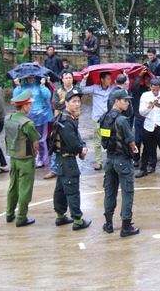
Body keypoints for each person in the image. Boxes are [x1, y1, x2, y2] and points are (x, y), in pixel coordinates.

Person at [101, 89, 140, 237]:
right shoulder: (122, 120)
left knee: (109, 191)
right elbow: (130, 140)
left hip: (110, 159)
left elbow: (105, 139)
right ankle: (125, 226)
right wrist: (133, 148)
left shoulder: (105, 118)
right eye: (125, 101)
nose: (127, 103)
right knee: (127, 192)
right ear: (116, 101)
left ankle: (108, 223)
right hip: (122, 160)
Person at [51, 89, 92, 230]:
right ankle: (77, 220)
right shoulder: (66, 121)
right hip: (67, 159)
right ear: (66, 103)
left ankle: (60, 215)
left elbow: (77, 136)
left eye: (78, 101)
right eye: (73, 101)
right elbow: (72, 142)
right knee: (72, 188)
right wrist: (81, 150)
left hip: (63, 159)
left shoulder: (67, 118)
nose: (77, 104)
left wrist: (83, 146)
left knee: (61, 187)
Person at [5, 89, 41, 227]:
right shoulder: (27, 123)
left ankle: (9, 214)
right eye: (29, 105)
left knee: (13, 187)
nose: (30, 107)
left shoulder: (8, 119)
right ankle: (21, 217)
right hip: (25, 159)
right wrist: (35, 153)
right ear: (24, 106)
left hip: (13, 157)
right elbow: (35, 142)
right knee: (25, 188)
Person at [136, 78, 160, 179]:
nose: (156, 92)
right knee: (146, 149)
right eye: (154, 90)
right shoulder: (145, 95)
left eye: (157, 90)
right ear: (150, 87)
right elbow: (141, 112)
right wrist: (148, 107)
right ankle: (143, 169)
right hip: (148, 126)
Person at [13, 75, 52, 169]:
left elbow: (47, 96)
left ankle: (42, 159)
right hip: (27, 117)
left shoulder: (40, 86)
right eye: (28, 77)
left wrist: (43, 85)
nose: (30, 78)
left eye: (32, 77)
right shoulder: (23, 87)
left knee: (41, 139)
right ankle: (30, 158)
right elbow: (16, 98)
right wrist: (17, 86)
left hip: (41, 116)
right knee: (27, 139)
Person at [45, 69, 78, 179]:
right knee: (57, 143)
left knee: (73, 141)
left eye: (70, 77)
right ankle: (54, 169)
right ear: (62, 79)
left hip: (74, 119)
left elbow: (78, 104)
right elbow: (56, 105)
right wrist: (67, 104)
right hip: (60, 120)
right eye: (66, 78)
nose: (68, 80)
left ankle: (71, 165)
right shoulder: (58, 90)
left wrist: (66, 103)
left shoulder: (76, 90)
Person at [80, 71, 113, 171]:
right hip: (97, 119)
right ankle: (99, 162)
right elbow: (82, 90)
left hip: (108, 120)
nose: (110, 81)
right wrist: (84, 79)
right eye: (108, 79)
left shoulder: (112, 88)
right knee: (97, 142)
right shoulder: (95, 87)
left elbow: (123, 88)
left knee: (109, 140)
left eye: (110, 79)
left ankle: (110, 160)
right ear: (102, 80)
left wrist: (126, 78)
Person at [131, 68, 151, 167]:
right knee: (137, 139)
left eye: (149, 79)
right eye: (146, 79)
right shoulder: (140, 89)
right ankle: (136, 158)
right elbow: (134, 88)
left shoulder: (154, 91)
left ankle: (148, 159)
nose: (148, 81)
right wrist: (139, 75)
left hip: (149, 118)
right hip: (139, 117)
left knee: (149, 140)